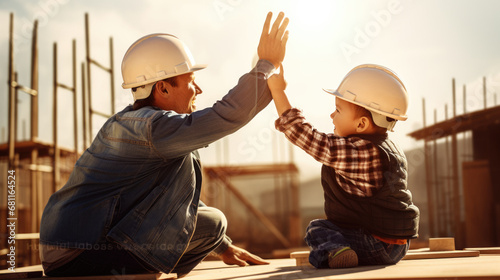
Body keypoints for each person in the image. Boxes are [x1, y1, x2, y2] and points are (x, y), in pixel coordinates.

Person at [39, 12, 289, 277]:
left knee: (212, 226)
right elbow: (224, 116)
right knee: (216, 223)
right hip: (82, 253)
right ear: (163, 89)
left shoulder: (139, 125)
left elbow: (176, 199)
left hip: (70, 248)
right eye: (191, 81)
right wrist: (266, 64)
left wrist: (222, 246)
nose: (198, 90)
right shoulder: (153, 130)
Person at [267, 63, 420, 268]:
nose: (332, 115)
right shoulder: (388, 148)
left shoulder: (359, 152)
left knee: (317, 229)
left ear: (361, 124)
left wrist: (278, 92)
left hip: (373, 243)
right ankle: (342, 252)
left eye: (338, 110)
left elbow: (307, 137)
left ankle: (338, 253)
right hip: (398, 245)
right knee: (329, 228)